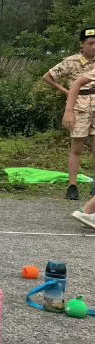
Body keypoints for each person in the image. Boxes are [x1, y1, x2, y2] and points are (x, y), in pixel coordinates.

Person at [43, 26, 95, 200]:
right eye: (91, 43)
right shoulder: (72, 61)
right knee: (77, 148)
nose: (94, 46)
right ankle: (72, 185)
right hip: (79, 106)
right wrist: (66, 91)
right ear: (82, 44)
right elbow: (48, 76)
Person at [63, 68, 95, 229]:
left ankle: (89, 211)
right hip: (83, 110)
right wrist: (69, 111)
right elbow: (77, 83)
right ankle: (88, 212)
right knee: (77, 149)